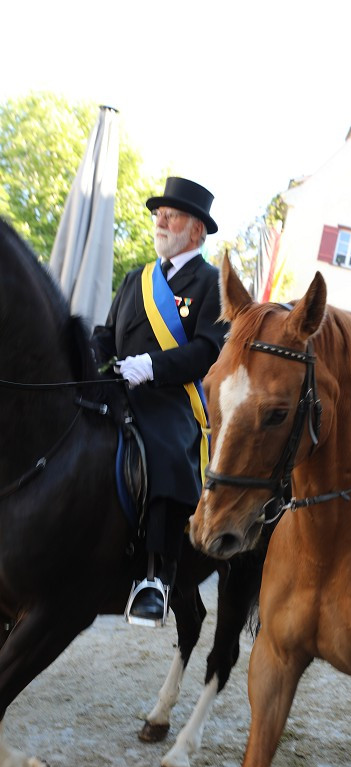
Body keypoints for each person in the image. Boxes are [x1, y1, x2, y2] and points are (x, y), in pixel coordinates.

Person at [91, 177, 226, 626]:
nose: (161, 220)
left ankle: (154, 577)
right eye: (158, 214)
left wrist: (153, 366)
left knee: (168, 451)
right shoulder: (136, 278)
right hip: (118, 387)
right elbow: (106, 335)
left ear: (196, 232)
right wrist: (90, 362)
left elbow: (208, 348)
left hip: (172, 397)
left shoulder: (212, 283)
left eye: (172, 214)